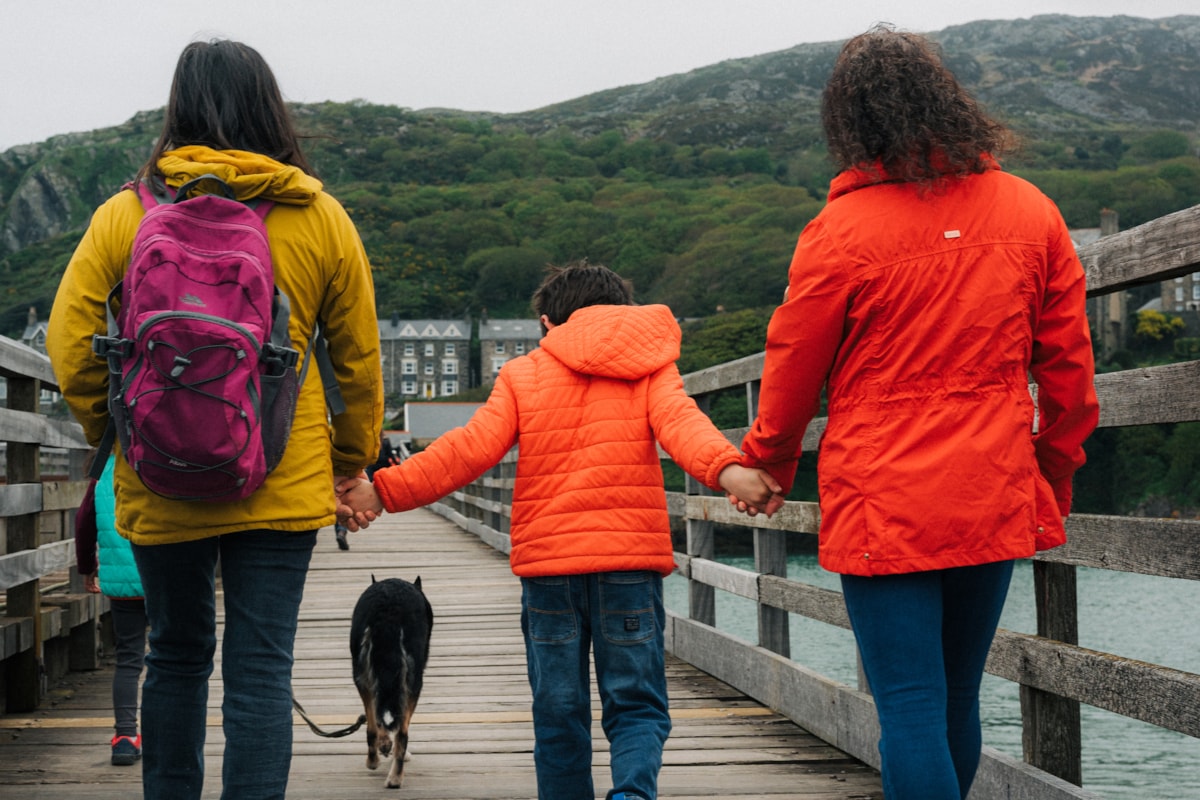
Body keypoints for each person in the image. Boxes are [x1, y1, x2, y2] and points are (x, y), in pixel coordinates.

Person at [734, 27, 1100, 800]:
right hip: (992, 486)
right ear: (949, 100)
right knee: (958, 698)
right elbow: (1069, 371)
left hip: (884, 498)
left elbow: (792, 368)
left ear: (851, 122)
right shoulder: (1031, 211)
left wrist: (768, 462)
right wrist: (1052, 473)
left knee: (909, 706)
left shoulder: (837, 233)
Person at [46, 39, 383, 800]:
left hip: (160, 475)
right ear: (271, 108)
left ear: (179, 108)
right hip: (282, 478)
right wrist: (351, 462)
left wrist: (125, 425)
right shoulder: (320, 216)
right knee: (261, 667)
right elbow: (359, 360)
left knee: (174, 653)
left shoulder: (123, 215)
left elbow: (69, 343)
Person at [337, 261, 782, 800]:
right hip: (628, 566)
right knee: (636, 702)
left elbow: (468, 450)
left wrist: (381, 491)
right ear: (623, 310)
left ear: (548, 323)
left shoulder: (524, 374)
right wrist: (730, 470)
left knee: (558, 709)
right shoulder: (650, 367)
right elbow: (684, 427)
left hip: (551, 573)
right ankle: (633, 794)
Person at [74, 454, 147, 766]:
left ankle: (126, 738)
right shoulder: (165, 454)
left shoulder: (103, 467)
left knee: (129, 658)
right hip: (170, 575)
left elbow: (83, 520)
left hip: (122, 580)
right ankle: (169, 733)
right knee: (171, 656)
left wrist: (88, 566)